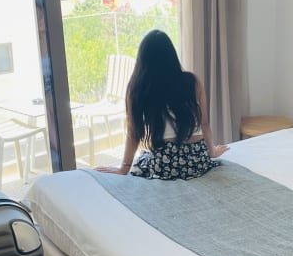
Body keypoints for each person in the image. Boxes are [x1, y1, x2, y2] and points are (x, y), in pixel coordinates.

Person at [96, 30, 228, 178]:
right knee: (146, 156)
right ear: (172, 56)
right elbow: (204, 123)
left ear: (142, 60)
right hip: (198, 160)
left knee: (143, 160)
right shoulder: (192, 81)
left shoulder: (138, 88)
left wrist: (124, 168)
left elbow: (134, 133)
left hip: (165, 163)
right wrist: (212, 151)